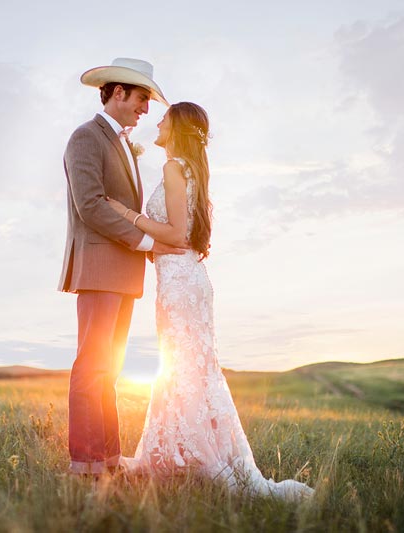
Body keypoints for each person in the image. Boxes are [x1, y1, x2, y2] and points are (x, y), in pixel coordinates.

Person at [106, 102, 315, 500]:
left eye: (164, 118)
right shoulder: (191, 168)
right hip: (187, 278)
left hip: (180, 281)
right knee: (190, 367)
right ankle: (175, 451)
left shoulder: (173, 168)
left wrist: (125, 214)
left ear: (177, 127)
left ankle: (191, 457)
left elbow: (177, 233)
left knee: (183, 366)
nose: (158, 120)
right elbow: (184, 236)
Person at [59, 58, 185, 476]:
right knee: (91, 367)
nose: (146, 110)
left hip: (123, 275)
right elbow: (90, 206)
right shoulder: (85, 138)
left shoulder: (122, 143)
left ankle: (108, 460)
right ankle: (85, 464)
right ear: (117, 93)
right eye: (142, 99)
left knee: (108, 370)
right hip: (98, 271)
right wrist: (151, 243)